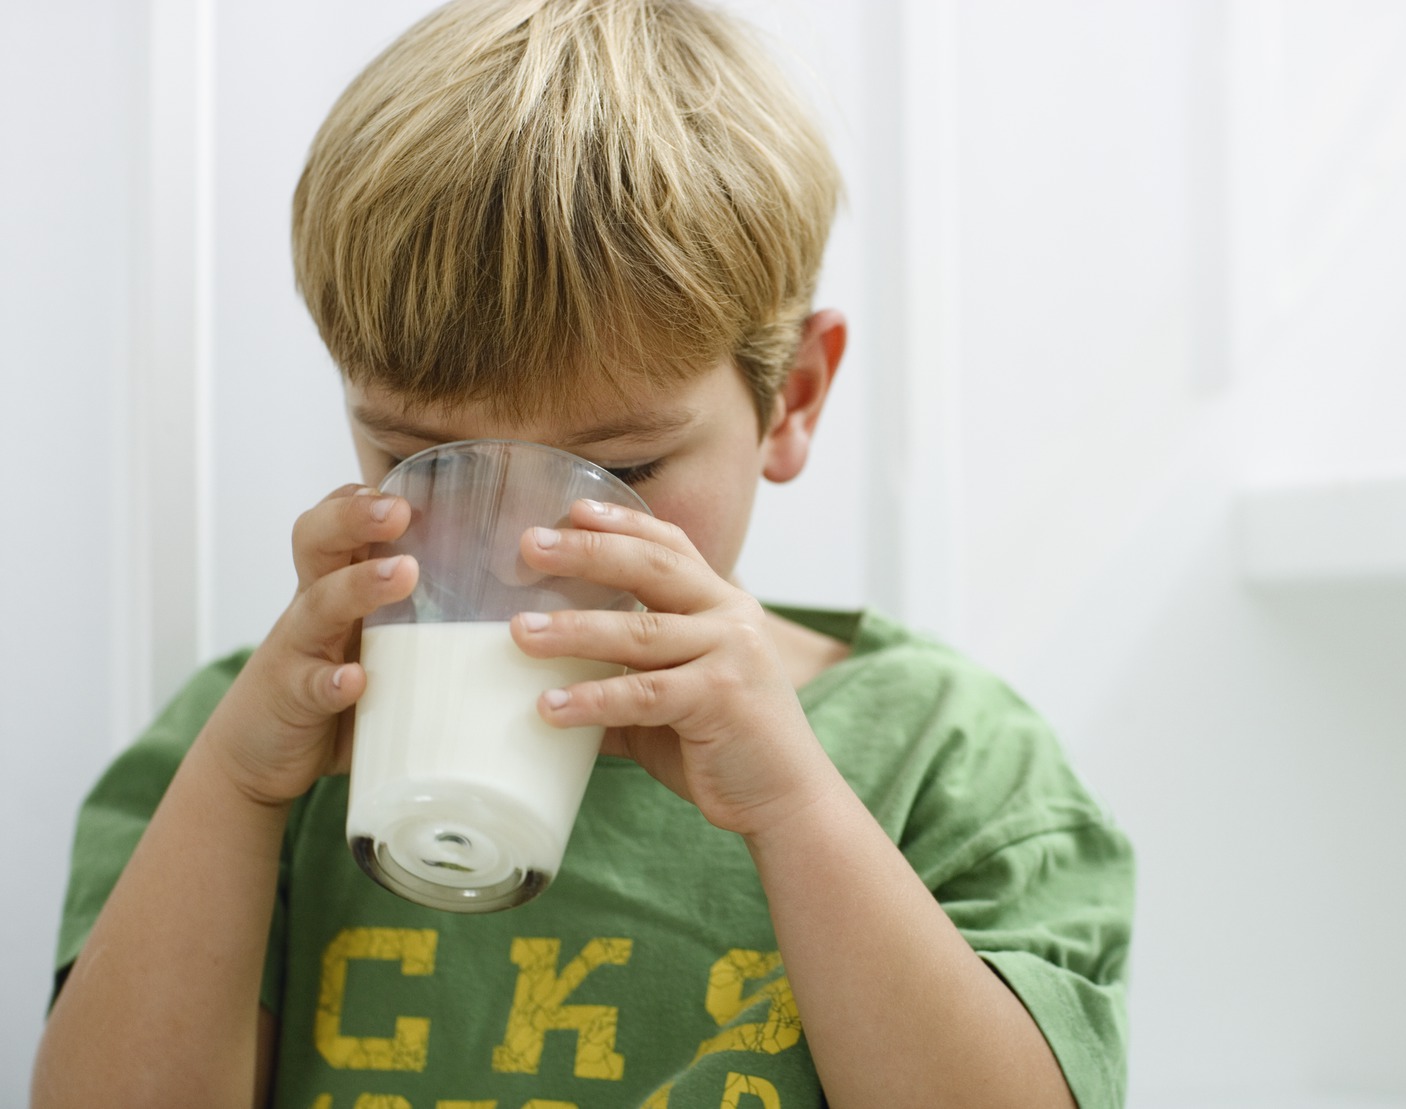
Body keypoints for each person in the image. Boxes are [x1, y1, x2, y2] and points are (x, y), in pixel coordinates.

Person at [34, 0, 1133, 1105]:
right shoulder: (250, 748)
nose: (521, 548)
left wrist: (794, 806)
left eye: (625, 472)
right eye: (428, 457)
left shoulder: (944, 758)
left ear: (790, 400)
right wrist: (234, 787)